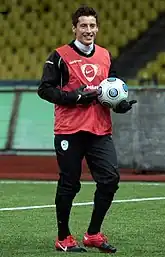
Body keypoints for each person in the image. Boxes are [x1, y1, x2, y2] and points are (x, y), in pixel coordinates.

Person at [38, 5, 137, 253]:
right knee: (70, 183)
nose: (88, 30)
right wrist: (75, 98)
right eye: (83, 25)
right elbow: (45, 89)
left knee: (110, 179)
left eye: (92, 25)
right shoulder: (59, 56)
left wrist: (120, 105)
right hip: (69, 130)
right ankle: (64, 237)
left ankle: (93, 234)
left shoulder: (105, 55)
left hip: (99, 130)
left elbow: (110, 88)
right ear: (74, 28)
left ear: (97, 28)